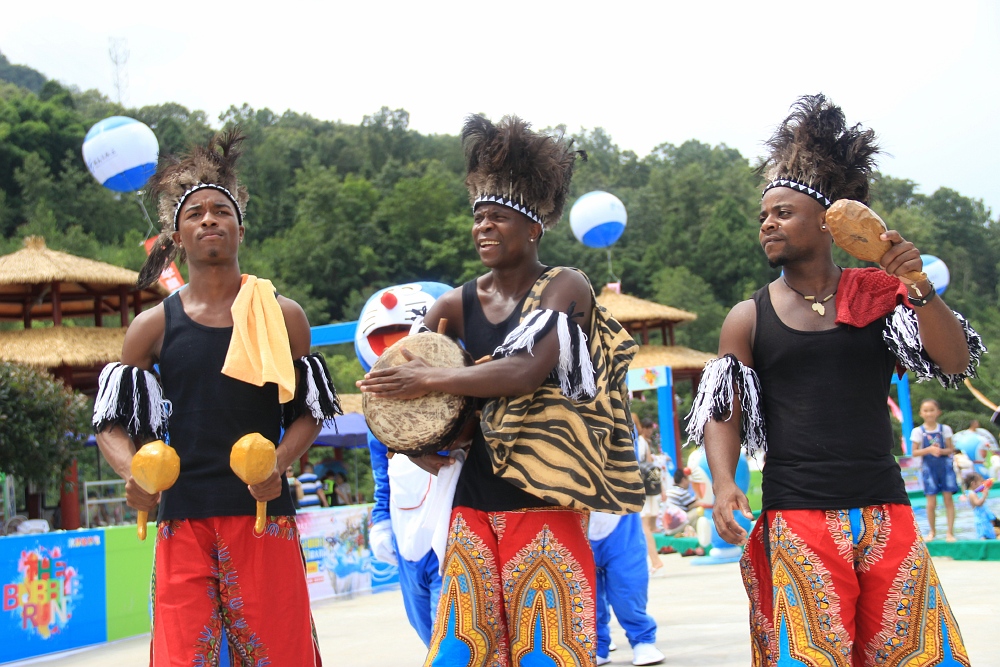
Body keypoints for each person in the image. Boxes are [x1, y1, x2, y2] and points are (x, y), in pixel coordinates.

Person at [690, 95, 982, 666]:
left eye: (782, 212)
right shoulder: (748, 317)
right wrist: (724, 483)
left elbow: (952, 362)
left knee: (916, 656)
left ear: (829, 222)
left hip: (885, 509)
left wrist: (918, 285)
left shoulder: (881, 298)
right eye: (763, 216)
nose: (767, 223)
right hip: (797, 515)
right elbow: (723, 411)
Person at [359, 114, 643, 667]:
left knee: (547, 653)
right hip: (472, 499)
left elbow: (524, 371)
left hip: (547, 499)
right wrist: (413, 445)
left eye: (498, 217)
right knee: (460, 651)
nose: (483, 227)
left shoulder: (566, 285)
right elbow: (396, 397)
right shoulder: (453, 305)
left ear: (533, 226)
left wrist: (430, 377)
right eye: (478, 217)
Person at [93, 130, 340, 666]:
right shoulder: (151, 326)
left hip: (262, 511)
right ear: (176, 236)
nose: (209, 219)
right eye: (196, 213)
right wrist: (133, 473)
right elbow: (110, 422)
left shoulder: (282, 314)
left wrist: (278, 463)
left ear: (240, 228)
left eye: (221, 211)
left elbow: (310, 410)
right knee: (182, 658)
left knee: (282, 654)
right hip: (181, 517)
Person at [588, 512, 665, 666]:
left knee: (628, 587)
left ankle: (642, 640)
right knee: (585, 592)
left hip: (622, 524)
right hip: (577, 521)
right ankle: (594, 643)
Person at [911, 399, 958, 541]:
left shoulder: (945, 429)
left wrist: (941, 451)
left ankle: (950, 532)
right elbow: (914, 452)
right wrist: (929, 450)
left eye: (932, 410)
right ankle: (932, 531)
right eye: (925, 410)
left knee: (948, 500)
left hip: (945, 468)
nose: (929, 413)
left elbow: (951, 449)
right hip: (928, 469)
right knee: (931, 503)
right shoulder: (918, 431)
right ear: (921, 413)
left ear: (938, 412)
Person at [636, 417, 664, 573]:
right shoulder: (645, 443)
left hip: (641, 487)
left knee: (644, 526)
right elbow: (650, 465)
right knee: (650, 526)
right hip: (650, 488)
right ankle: (653, 559)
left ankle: (655, 561)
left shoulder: (637, 442)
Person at [962, 471, 999, 540]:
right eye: (980, 482)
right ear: (973, 483)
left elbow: (982, 489)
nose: (982, 484)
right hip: (981, 520)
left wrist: (988, 487)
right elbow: (978, 503)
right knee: (983, 535)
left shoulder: (972, 492)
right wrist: (984, 496)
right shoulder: (971, 494)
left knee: (989, 533)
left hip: (983, 518)